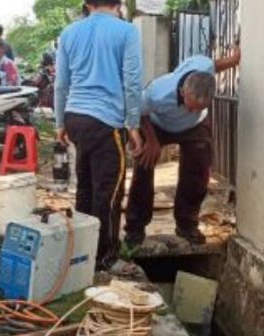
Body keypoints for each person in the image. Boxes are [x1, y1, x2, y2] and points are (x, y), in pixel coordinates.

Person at [55, 0, 143, 269]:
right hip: (106, 120)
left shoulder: (69, 33)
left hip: (75, 117)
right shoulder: (126, 32)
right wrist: (133, 125)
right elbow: (132, 81)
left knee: (85, 186)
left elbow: (61, 83)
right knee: (109, 191)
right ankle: (105, 257)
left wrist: (60, 122)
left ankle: (83, 253)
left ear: (86, 4)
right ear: (118, 3)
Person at [124, 48, 241, 246]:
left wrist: (235, 59)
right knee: (144, 166)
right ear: (182, 91)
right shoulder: (158, 93)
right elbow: (138, 111)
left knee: (199, 169)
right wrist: (151, 141)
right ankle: (135, 228)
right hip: (156, 124)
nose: (191, 110)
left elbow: (216, 65)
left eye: (199, 108)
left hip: (194, 127)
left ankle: (187, 225)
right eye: (190, 105)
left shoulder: (204, 67)